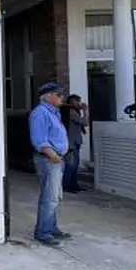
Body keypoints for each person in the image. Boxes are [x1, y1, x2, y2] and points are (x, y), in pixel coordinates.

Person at [28, 83, 72, 246]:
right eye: (58, 94)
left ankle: (52, 228)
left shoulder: (54, 113)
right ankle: (43, 232)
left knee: (54, 196)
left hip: (56, 159)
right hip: (48, 159)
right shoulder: (40, 113)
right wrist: (53, 156)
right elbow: (39, 140)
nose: (61, 97)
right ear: (47, 96)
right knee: (49, 197)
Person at [62, 94, 88, 194]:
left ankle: (73, 185)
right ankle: (66, 185)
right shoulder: (71, 112)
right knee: (71, 164)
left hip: (75, 141)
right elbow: (85, 122)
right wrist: (85, 110)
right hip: (71, 142)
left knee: (75, 164)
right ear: (72, 102)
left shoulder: (73, 112)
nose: (79, 104)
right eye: (77, 101)